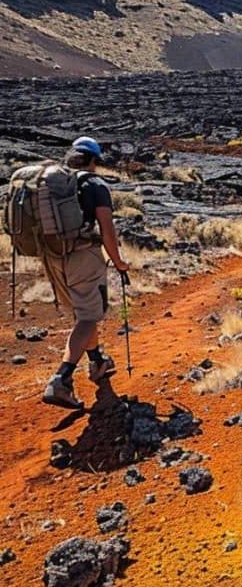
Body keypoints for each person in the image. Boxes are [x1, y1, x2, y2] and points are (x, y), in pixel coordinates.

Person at [41, 137, 130, 409]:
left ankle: (97, 362)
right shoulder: (94, 184)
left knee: (83, 315)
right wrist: (118, 262)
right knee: (89, 316)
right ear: (94, 160)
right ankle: (61, 379)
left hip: (53, 256)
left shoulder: (53, 184)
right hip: (83, 255)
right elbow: (106, 229)